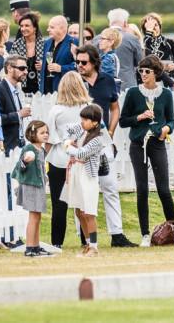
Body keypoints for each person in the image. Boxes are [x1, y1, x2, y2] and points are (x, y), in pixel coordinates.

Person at [73, 42, 133, 247]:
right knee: (83, 191)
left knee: (110, 187)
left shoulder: (108, 81)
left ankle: (117, 234)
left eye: (83, 62)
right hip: (82, 142)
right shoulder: (74, 82)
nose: (79, 65)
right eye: (77, 62)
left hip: (104, 140)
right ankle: (85, 236)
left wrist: (111, 131)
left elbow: (115, 108)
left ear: (94, 63)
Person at [120, 54, 174, 246]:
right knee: (142, 189)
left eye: (147, 71)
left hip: (157, 143)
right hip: (138, 145)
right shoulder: (133, 93)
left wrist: (166, 129)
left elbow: (171, 120)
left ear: (156, 73)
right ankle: (145, 234)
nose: (143, 74)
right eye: (141, 71)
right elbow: (123, 121)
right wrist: (139, 117)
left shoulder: (166, 94)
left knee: (163, 189)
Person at [44, 71, 90, 248]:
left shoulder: (56, 110)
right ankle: (87, 241)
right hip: (82, 160)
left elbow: (49, 138)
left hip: (59, 160)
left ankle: (57, 243)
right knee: (83, 204)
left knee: (59, 205)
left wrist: (42, 160)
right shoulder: (88, 107)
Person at [60, 104, 111, 257]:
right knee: (79, 211)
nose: (82, 122)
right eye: (81, 118)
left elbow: (82, 154)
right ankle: (88, 244)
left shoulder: (98, 139)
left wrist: (68, 147)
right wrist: (69, 139)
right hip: (76, 173)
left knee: (88, 211)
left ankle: (94, 246)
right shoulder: (82, 131)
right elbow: (67, 130)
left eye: (86, 119)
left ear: (95, 122)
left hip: (87, 177)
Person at [13, 120, 52, 257]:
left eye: (47, 132)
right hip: (30, 186)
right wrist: (25, 161)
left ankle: (36, 246)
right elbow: (19, 167)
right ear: (32, 133)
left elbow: (41, 168)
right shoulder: (28, 149)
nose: (46, 135)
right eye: (42, 133)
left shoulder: (41, 150)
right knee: (33, 217)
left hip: (39, 185)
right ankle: (29, 247)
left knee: (38, 216)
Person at [0, 55, 31, 154]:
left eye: (26, 69)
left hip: (20, 145)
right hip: (7, 147)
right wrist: (19, 114)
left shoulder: (17, 89)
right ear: (9, 68)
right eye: (22, 68)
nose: (26, 72)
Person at [8, 12, 44, 95]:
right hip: (22, 87)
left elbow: (52, 62)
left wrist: (44, 65)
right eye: (21, 26)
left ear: (35, 28)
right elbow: (10, 64)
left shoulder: (44, 44)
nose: (23, 29)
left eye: (27, 25)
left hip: (41, 88)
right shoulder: (17, 44)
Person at [106, 8, 144, 85]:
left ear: (110, 22)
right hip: (127, 84)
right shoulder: (132, 39)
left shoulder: (97, 39)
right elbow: (140, 62)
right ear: (125, 23)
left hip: (104, 84)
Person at [140, 13, 174, 77]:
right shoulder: (141, 44)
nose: (153, 28)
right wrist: (149, 32)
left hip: (168, 81)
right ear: (145, 29)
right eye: (150, 26)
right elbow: (146, 46)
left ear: (160, 26)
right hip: (148, 81)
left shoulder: (169, 43)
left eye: (156, 25)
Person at [42, 15, 77, 94]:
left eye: (52, 27)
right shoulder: (47, 43)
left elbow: (79, 66)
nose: (48, 30)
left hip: (65, 91)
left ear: (62, 28)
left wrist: (61, 68)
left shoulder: (74, 42)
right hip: (46, 91)